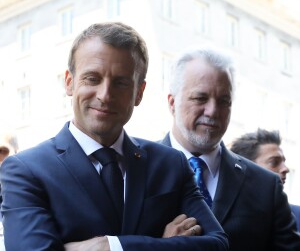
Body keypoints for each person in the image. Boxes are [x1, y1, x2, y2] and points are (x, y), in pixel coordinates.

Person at [0, 22, 228, 251]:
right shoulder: (25, 171)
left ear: (139, 93)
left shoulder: (170, 164)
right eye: (92, 78)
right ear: (69, 82)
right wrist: (161, 245)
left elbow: (217, 245)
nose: (105, 95)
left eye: (121, 83)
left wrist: (110, 246)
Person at [159, 47, 300, 251]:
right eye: (200, 98)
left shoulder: (266, 187)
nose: (213, 111)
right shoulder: (134, 170)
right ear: (172, 103)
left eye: (224, 101)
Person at [230, 128, 300, 231]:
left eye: (283, 162)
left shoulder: (297, 215)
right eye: (274, 162)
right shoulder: (224, 216)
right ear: (247, 167)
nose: (285, 169)